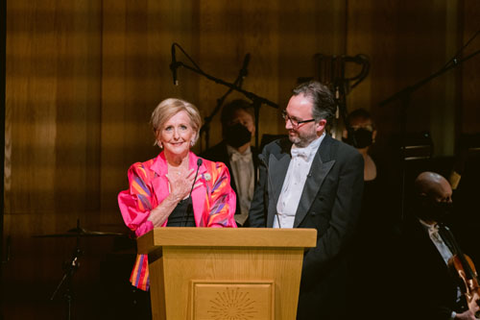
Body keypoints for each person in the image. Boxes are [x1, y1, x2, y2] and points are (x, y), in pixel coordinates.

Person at [248, 80, 364, 320]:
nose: (288, 125)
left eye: (297, 121)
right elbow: (258, 212)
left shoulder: (346, 159)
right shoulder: (272, 151)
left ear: (321, 124)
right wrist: (262, 260)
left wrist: (298, 270)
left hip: (316, 277)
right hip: (268, 270)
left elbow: (340, 231)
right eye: (286, 117)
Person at [118, 98, 237, 293]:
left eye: (183, 127)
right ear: (158, 135)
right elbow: (141, 232)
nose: (176, 136)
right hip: (156, 273)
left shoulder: (215, 172)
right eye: (168, 128)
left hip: (204, 270)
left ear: (194, 133)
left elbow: (221, 227)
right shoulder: (143, 173)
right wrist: (174, 197)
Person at [398, 171, 479, 320]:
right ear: (424, 200)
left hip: (465, 305)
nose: (450, 203)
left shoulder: (447, 228)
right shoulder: (407, 239)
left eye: (451, 197)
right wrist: (455, 316)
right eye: (444, 199)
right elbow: (414, 294)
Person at [201, 99, 259, 227]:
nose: (240, 126)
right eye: (234, 122)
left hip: (260, 227)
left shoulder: (263, 157)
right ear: (224, 127)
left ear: (253, 128)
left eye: (245, 122)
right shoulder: (208, 159)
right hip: (225, 227)